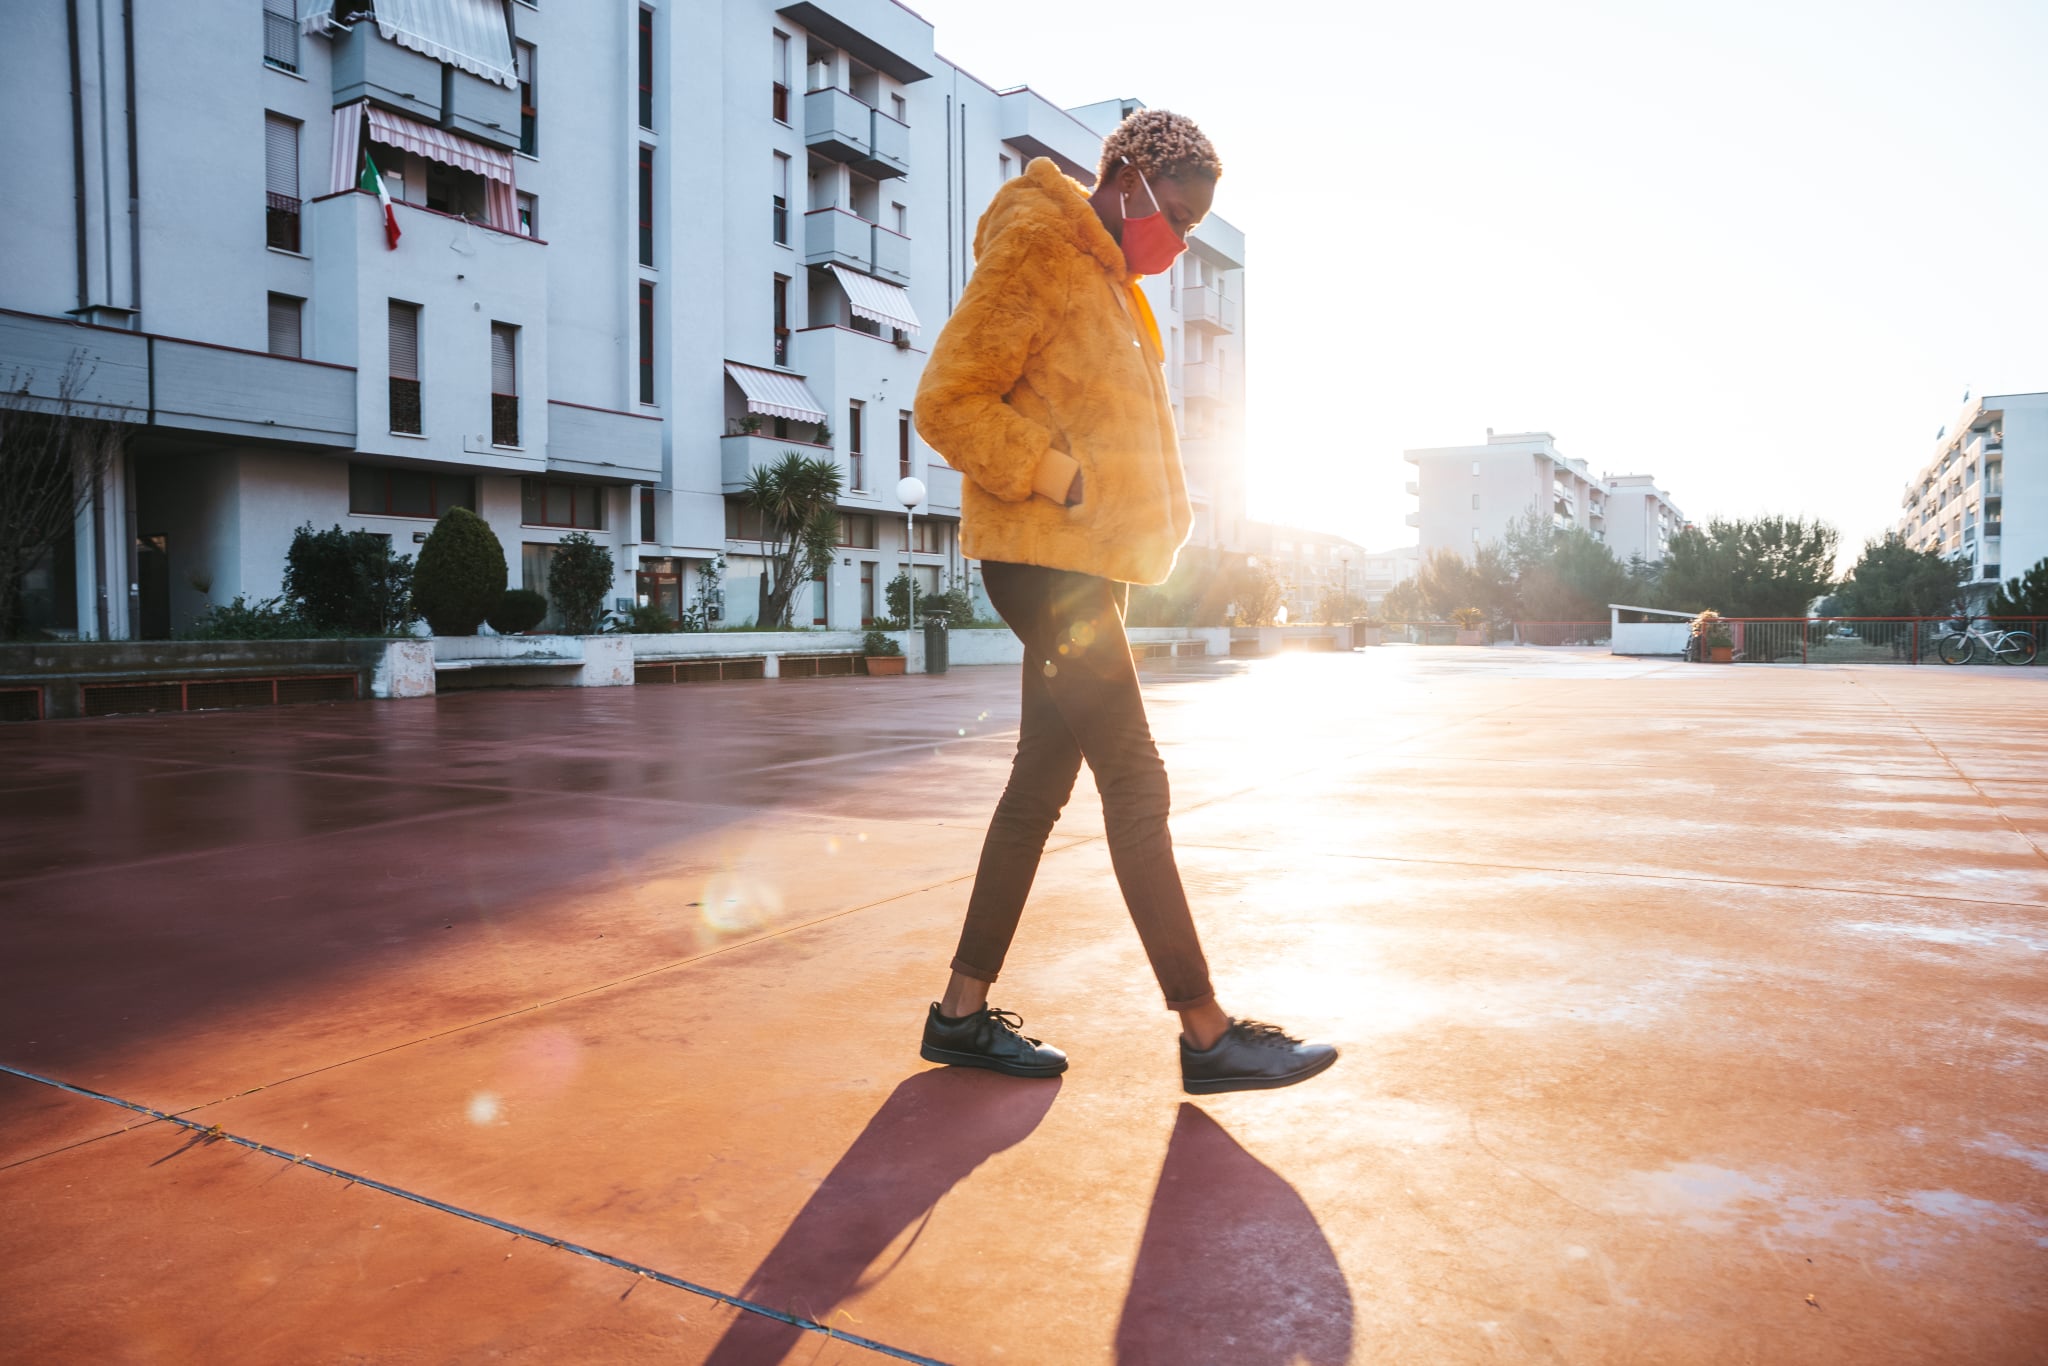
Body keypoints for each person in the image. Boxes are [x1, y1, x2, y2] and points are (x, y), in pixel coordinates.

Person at [911, 110, 1337, 1095]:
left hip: (1074, 567)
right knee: (1136, 783)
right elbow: (946, 399)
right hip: (1040, 562)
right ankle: (1204, 1031)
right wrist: (1055, 478)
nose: (1178, 243)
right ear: (1126, 177)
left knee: (1035, 789)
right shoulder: (1034, 248)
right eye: (1175, 216)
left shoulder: (1108, 283)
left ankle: (959, 1017)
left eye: (1190, 230)